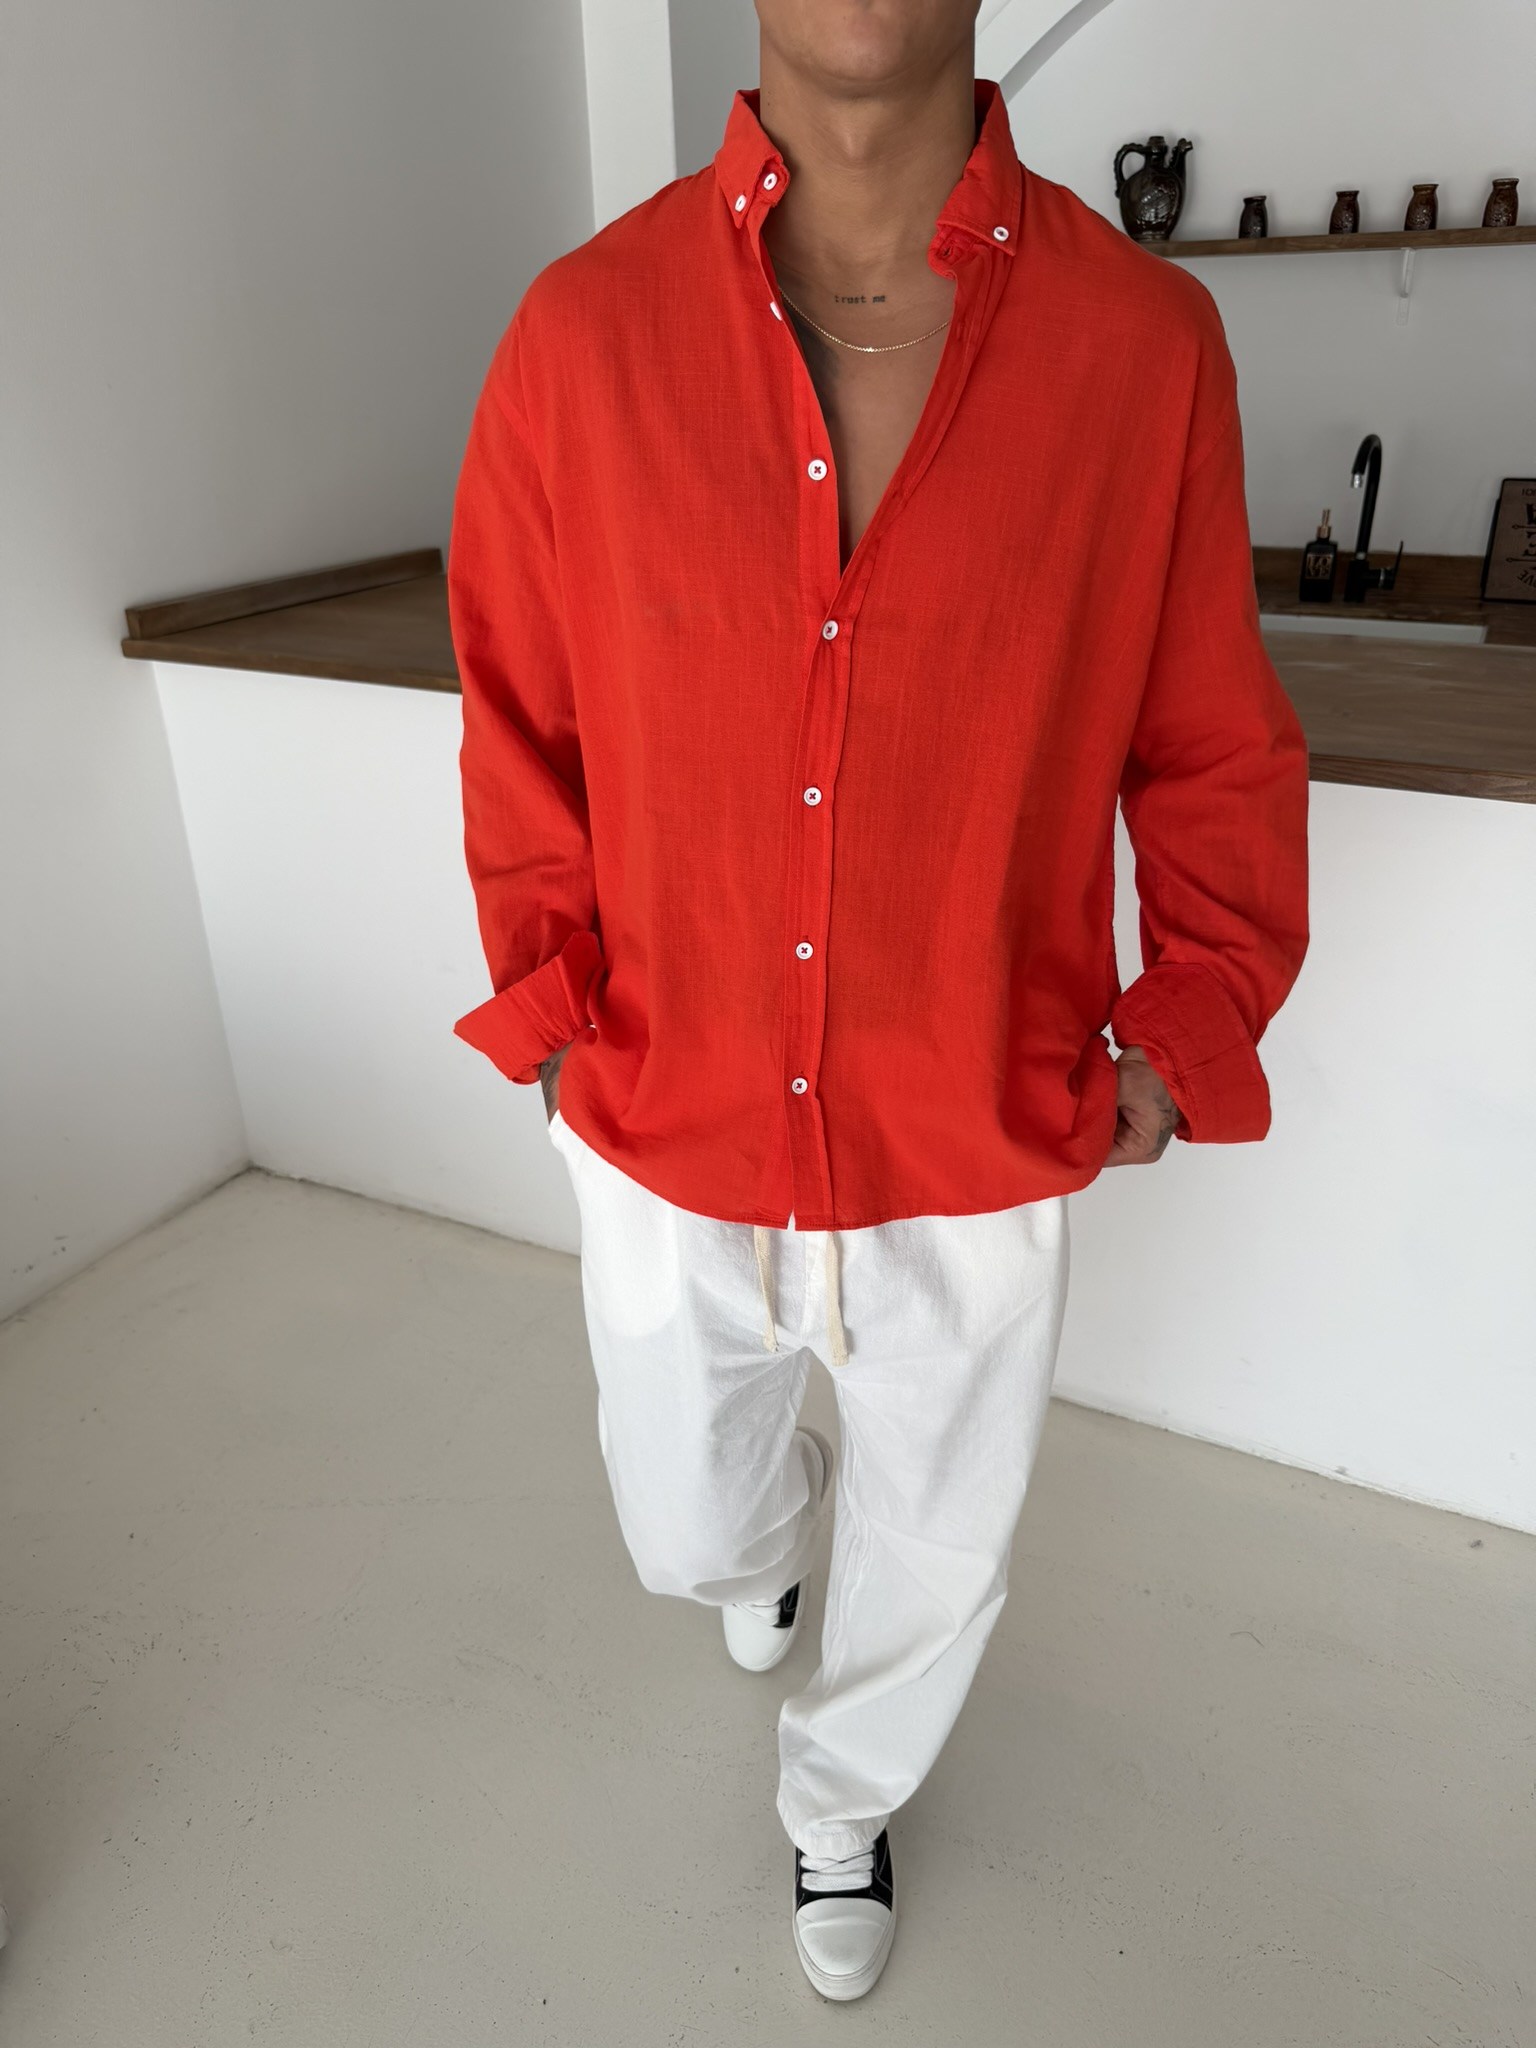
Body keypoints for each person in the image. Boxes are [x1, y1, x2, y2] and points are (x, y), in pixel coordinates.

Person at [447, 0, 1308, 2004]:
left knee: (937, 1547)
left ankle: (844, 1794)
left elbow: (1207, 730)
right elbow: (521, 706)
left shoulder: (1144, 347)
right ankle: (761, 1544)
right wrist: (553, 1010)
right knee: (682, 1526)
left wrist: (1182, 1025)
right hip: (667, 1098)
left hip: (969, 1110)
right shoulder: (582, 334)